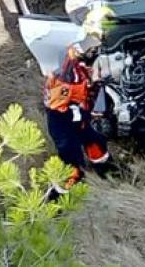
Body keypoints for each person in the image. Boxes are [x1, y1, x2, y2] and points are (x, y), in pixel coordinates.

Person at [42, 39, 113, 199]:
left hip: (78, 118)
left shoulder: (76, 68)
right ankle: (59, 197)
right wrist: (85, 110)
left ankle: (106, 170)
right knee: (71, 160)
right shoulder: (64, 82)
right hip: (64, 123)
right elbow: (60, 105)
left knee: (95, 143)